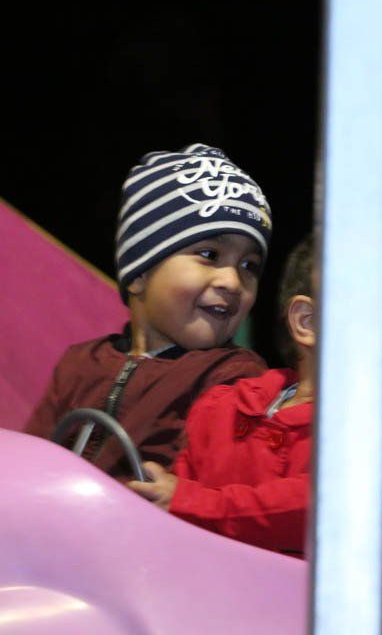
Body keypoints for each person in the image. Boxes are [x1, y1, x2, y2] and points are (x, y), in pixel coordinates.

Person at [128, 232, 382, 583]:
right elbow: (175, 511)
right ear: (309, 322)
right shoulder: (223, 407)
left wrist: (192, 503)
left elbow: (321, 508)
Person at [25, 144, 271, 478]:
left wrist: (185, 498)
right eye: (210, 255)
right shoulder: (80, 364)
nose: (232, 280)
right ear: (140, 275)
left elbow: (225, 494)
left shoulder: (235, 377)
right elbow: (28, 466)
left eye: (249, 265)